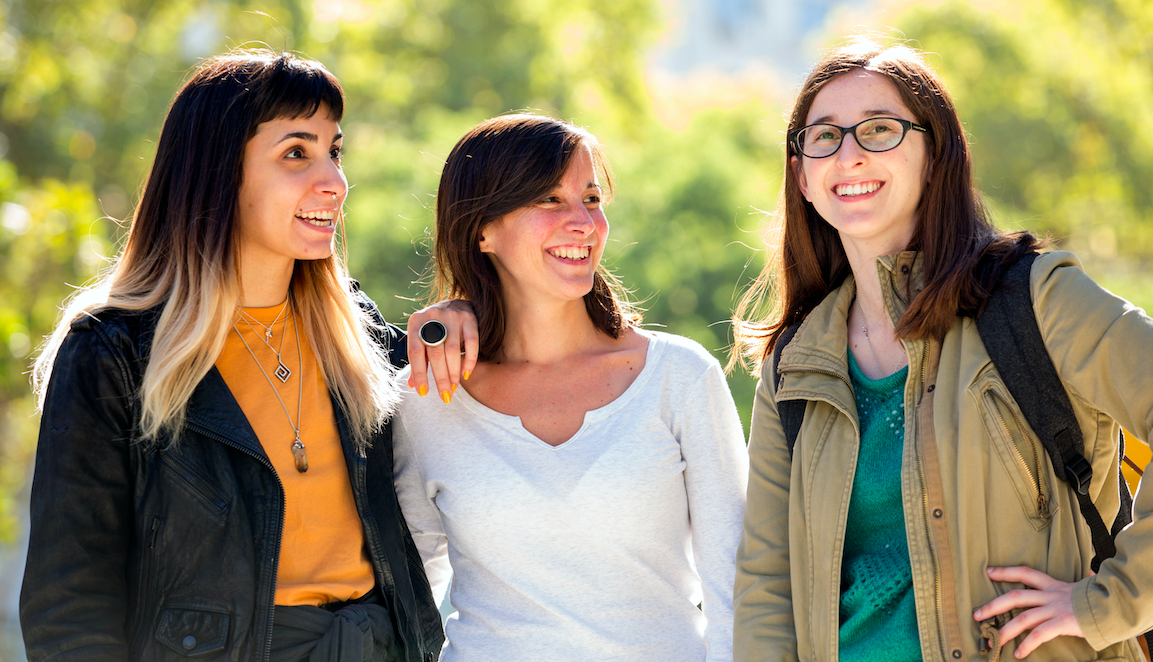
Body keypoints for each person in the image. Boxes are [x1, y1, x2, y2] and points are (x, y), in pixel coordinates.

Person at [20, 50, 474, 662]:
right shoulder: (112, 353)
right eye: (296, 153)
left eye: (333, 152)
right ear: (216, 172)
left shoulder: (357, 333)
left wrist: (466, 316)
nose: (333, 182)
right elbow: (69, 605)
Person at [731, 37, 1152, 661]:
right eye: (824, 137)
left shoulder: (1034, 297)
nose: (848, 155)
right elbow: (768, 585)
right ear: (802, 176)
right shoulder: (794, 363)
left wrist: (1110, 601)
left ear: (935, 154)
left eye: (878, 130)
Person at [391, 114, 748, 662]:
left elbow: (737, 585)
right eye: (550, 201)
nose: (583, 222)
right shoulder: (430, 396)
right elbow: (404, 591)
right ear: (482, 230)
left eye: (591, 198)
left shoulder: (678, 378)